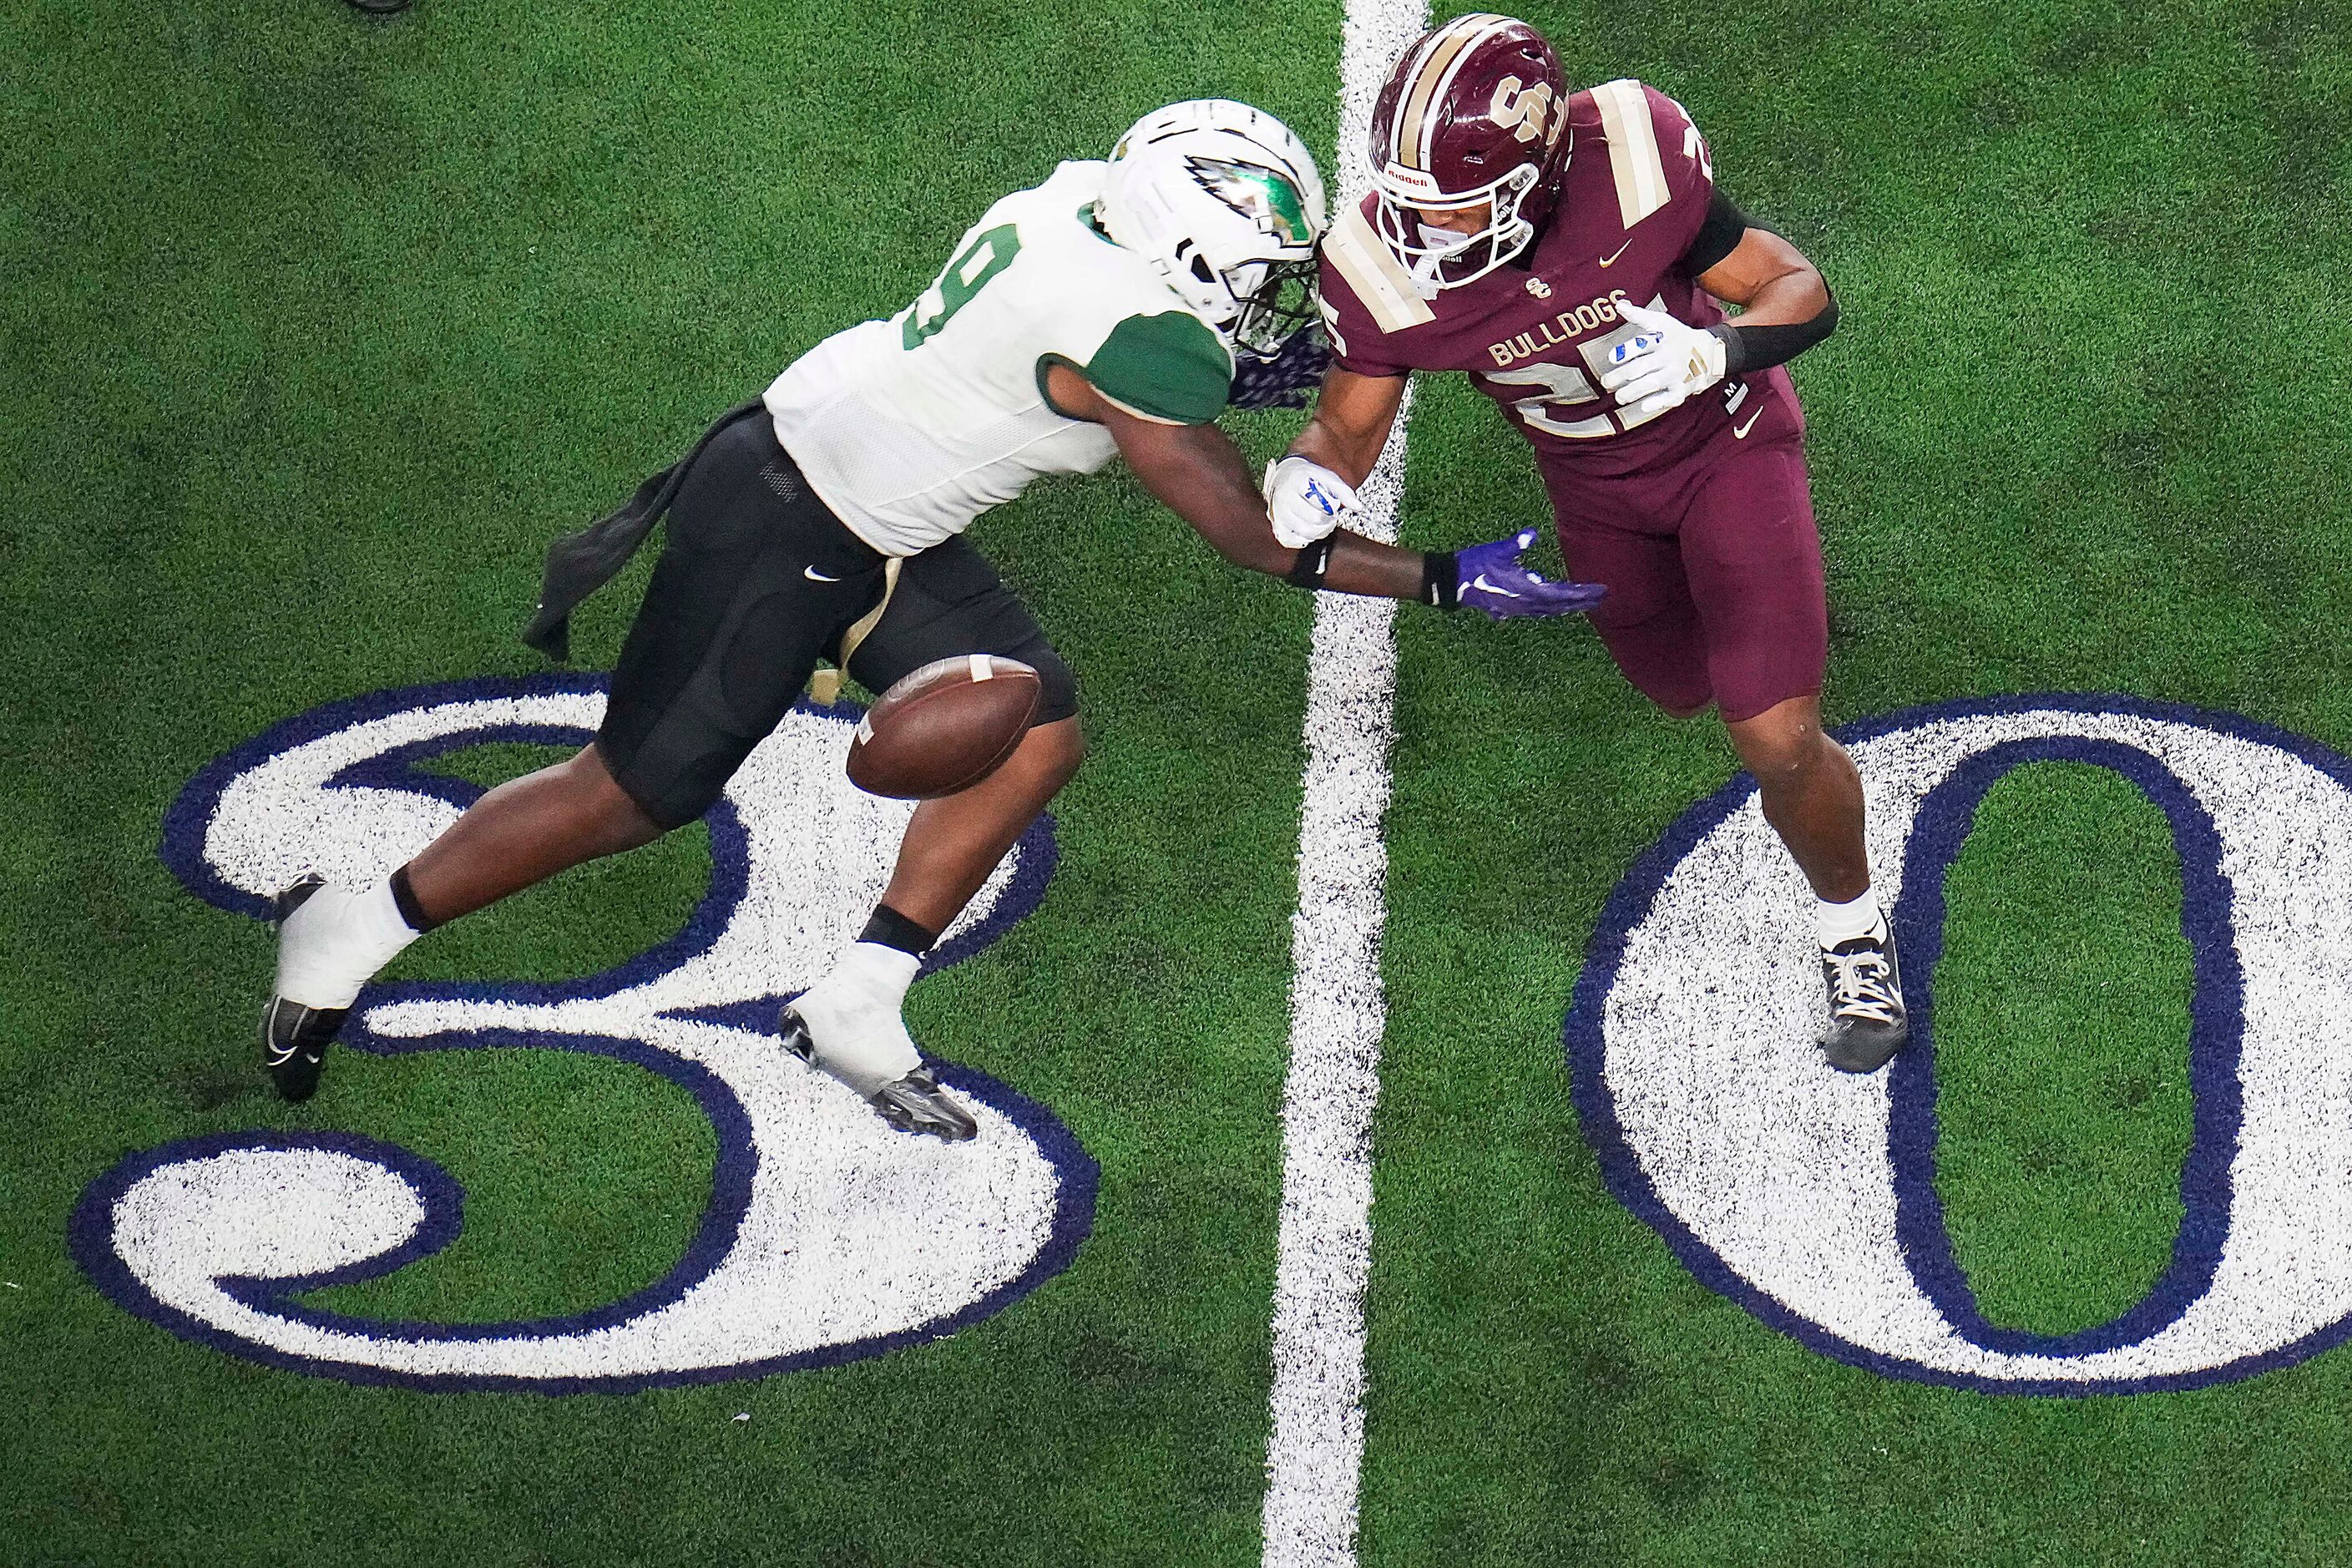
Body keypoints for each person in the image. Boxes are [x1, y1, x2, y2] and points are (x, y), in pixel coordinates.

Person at [260, 98, 1602, 1137]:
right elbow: (1257, 535)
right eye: (1248, 271)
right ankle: (353, 926)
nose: (1260, 301)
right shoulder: (1143, 340)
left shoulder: (1081, 198)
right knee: (633, 792)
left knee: (1039, 729)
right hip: (788, 514)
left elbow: (1211, 355)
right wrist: (1435, 575)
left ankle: (860, 994)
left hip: (867, 491)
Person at [1277, 15, 1907, 1072]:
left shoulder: (1632, 155)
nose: (1424, 233)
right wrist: (1313, 476)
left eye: (1457, 203)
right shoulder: (1382, 267)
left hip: (1727, 447)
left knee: (1773, 735)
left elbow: (1800, 286)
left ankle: (1853, 933)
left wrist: (1721, 350)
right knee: (1672, 687)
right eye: (1413, 201)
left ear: (1536, 175)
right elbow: (1347, 424)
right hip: (1592, 485)